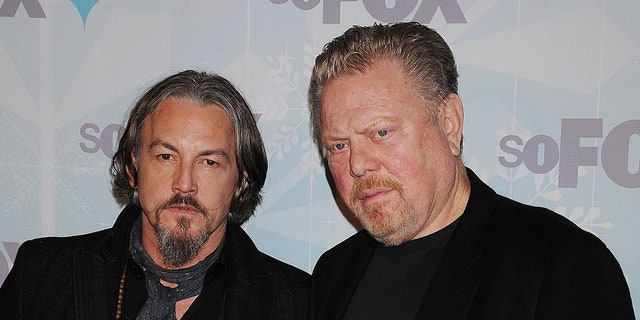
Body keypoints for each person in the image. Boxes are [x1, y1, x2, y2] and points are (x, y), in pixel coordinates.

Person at [307, 22, 635, 319]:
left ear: (449, 124)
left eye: (381, 133)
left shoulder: (560, 265)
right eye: (339, 145)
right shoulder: (333, 274)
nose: (358, 164)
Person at [0, 70, 310, 319]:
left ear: (241, 184)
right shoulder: (42, 274)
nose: (184, 184)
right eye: (166, 157)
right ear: (134, 168)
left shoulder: (298, 303)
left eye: (209, 162)